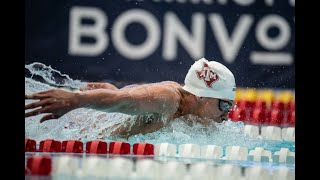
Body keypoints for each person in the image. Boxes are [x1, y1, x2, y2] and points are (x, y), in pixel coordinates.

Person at [25, 58, 236, 139]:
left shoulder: (198, 117)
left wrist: (116, 92)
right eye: (224, 104)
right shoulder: (169, 99)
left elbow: (129, 98)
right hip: (86, 137)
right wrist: (74, 100)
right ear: (201, 96)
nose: (227, 114)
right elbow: (124, 101)